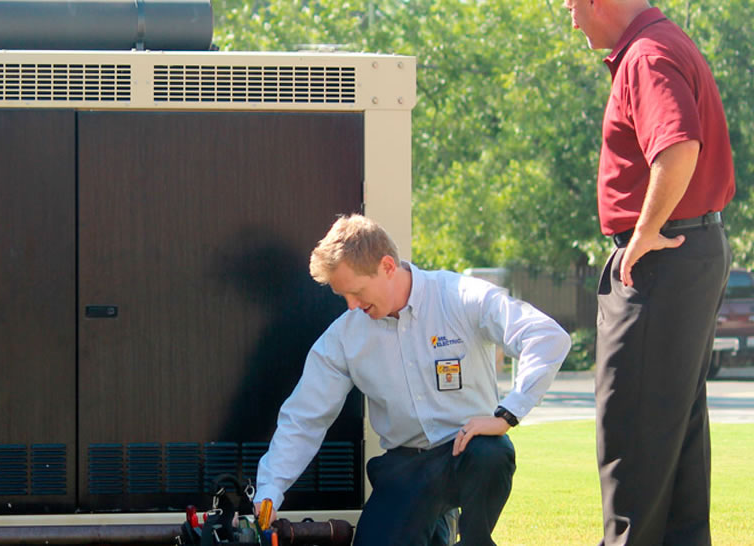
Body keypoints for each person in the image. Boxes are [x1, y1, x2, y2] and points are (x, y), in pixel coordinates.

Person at [252, 214, 570, 545]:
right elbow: (304, 418)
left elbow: (546, 337)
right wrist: (270, 489)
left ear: (388, 266)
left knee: (491, 452)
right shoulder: (344, 338)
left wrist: (507, 415)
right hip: (405, 469)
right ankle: (437, 527)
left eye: (357, 292)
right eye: (343, 295)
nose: (351, 306)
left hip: (467, 452)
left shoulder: (459, 296)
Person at [563, 1, 735, 544]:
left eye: (571, 5)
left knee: (633, 434)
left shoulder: (647, 54)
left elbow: (679, 145)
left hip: (661, 258)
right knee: (674, 437)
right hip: (689, 252)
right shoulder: (663, 42)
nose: (571, 19)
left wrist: (641, 234)